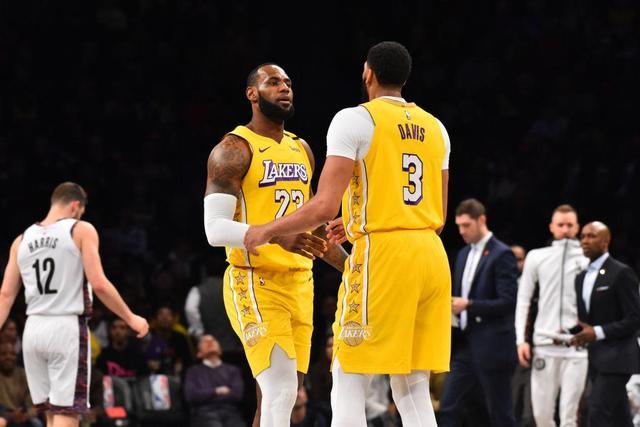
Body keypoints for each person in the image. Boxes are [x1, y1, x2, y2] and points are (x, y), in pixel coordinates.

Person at [244, 41, 452, 427]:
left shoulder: (354, 119)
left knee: (348, 373)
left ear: (368, 73)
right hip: (432, 255)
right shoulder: (436, 128)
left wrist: (266, 229)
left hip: (386, 255)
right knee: (413, 385)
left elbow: (324, 205)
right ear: (405, 78)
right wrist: (359, 218)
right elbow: (437, 215)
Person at [202, 63, 348, 427]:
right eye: (273, 82)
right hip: (256, 279)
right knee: (280, 391)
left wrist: (353, 268)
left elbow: (312, 229)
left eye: (287, 83)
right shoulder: (233, 149)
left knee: (279, 396)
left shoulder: (302, 149)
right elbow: (214, 229)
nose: (284, 88)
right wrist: (278, 236)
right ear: (252, 94)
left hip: (300, 283)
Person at [0, 182, 149, 427]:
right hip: (65, 328)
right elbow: (99, 283)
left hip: (32, 330)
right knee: (67, 415)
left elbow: (5, 295)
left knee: (50, 415)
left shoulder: (21, 240)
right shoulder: (80, 229)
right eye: (80, 212)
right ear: (75, 205)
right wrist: (131, 317)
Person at [438, 199, 518, 427]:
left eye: (466, 225)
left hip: (493, 345)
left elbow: (508, 302)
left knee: (500, 412)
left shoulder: (502, 254)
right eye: (459, 226)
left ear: (481, 220)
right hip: (465, 344)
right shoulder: (463, 254)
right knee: (449, 405)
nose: (462, 231)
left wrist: (469, 305)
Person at [514, 204, 589, 427]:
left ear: (577, 227)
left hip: (576, 347)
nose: (565, 229)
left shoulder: (587, 260)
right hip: (544, 344)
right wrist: (521, 340)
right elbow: (524, 300)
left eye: (569, 225)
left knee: (569, 418)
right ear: (551, 227)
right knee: (542, 416)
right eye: (561, 225)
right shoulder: (537, 257)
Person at [571, 221, 640, 426]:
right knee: (620, 417)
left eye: (592, 236)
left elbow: (635, 318)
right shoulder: (581, 277)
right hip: (595, 357)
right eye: (583, 236)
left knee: (597, 410)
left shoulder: (621, 272)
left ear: (606, 241)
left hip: (619, 357)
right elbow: (590, 321)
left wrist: (598, 332)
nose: (585, 241)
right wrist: (571, 333)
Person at [184, 335, 245, 427]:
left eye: (213, 340)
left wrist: (206, 395)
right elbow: (191, 396)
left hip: (231, 413)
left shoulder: (233, 370)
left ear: (220, 349)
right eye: (204, 341)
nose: (210, 342)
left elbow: (237, 395)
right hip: (204, 413)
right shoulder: (193, 371)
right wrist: (216, 391)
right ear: (199, 353)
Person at [509, 244, 535, 427]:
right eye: (511, 260)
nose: (515, 264)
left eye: (519, 259)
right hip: (506, 350)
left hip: (530, 348)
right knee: (510, 401)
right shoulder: (500, 286)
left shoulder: (535, 286)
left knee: (529, 407)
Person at [0, 342, 41, 427]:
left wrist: (26, 415)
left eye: (12, 354)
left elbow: (35, 405)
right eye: (3, 354)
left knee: (36, 423)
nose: (8, 357)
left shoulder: (24, 375)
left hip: (23, 416)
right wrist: (10, 416)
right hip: (3, 416)